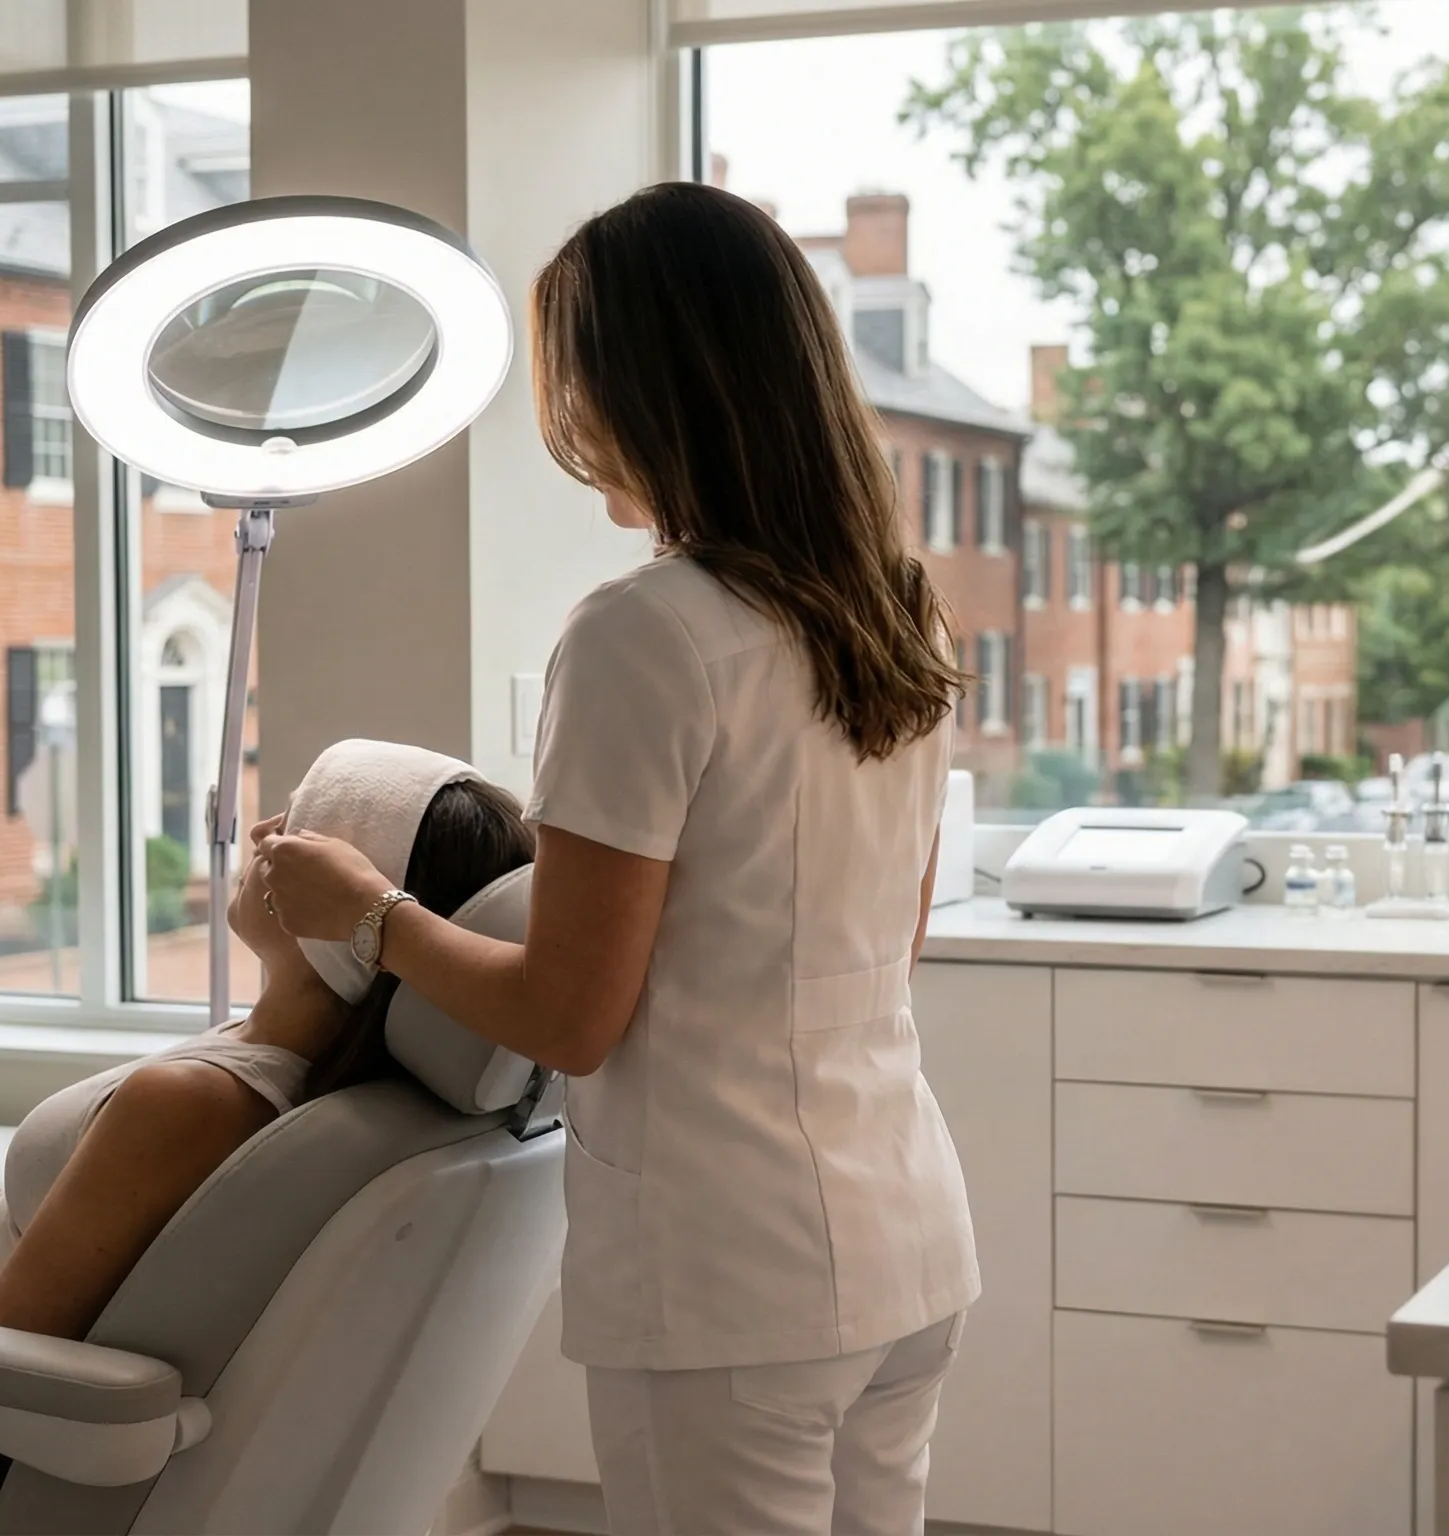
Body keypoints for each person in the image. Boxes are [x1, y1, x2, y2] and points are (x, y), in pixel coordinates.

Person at [258, 181, 977, 1536]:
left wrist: (369, 911)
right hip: (905, 1233)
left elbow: (568, 1016)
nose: (570, 419)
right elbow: (889, 940)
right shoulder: (899, 614)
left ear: (647, 388)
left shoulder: (643, 634)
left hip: (734, 1274)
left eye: (576, 379)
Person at [0, 767, 534, 1506]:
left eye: (298, 833)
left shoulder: (197, 1100)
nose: (259, 834)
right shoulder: (306, 1064)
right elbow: (161, 1223)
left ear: (335, 902)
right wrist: (36, 1201)